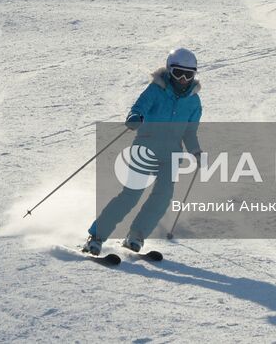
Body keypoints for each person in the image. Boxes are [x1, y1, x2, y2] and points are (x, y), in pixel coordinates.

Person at [83, 48, 203, 256]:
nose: (183, 79)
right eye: (178, 73)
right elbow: (140, 107)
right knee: (131, 194)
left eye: (188, 74)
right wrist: (135, 117)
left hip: (171, 155)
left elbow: (190, 132)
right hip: (146, 149)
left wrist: (195, 151)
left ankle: (136, 235)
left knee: (163, 196)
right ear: (169, 70)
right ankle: (97, 236)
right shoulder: (156, 90)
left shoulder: (193, 102)